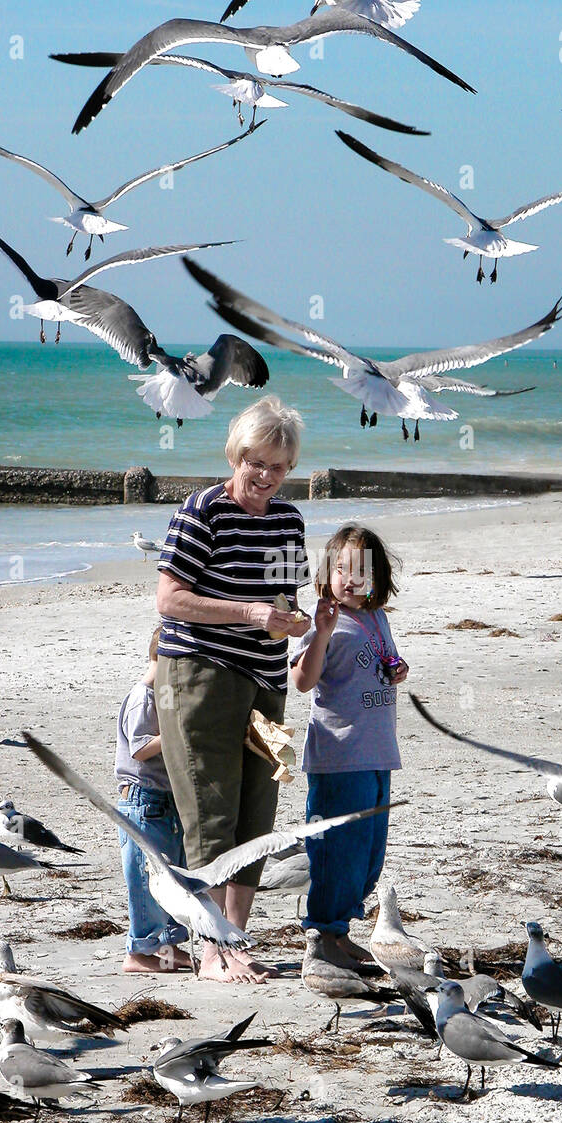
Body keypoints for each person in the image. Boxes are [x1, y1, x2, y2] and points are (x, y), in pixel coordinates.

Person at [155, 397, 311, 985]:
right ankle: (208, 948)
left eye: (279, 467)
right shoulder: (202, 512)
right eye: (257, 463)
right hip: (202, 674)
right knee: (209, 811)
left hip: (267, 677)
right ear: (237, 455)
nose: (266, 477)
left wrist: (294, 622)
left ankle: (235, 939)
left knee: (257, 815)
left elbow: (283, 601)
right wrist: (249, 613)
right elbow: (170, 600)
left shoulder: (288, 520)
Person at [290, 525, 408, 966]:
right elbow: (303, 681)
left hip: (377, 752)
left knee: (368, 852)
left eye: (360, 571)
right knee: (338, 849)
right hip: (339, 756)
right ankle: (323, 935)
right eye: (341, 569)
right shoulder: (326, 620)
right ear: (328, 573)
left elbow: (380, 661)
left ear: (377, 576)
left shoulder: (376, 617)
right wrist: (321, 632)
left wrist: (397, 669)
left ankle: (340, 930)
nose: (350, 579)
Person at [115, 627, 190, 974]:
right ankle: (141, 950)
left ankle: (168, 945)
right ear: (160, 660)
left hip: (164, 800)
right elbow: (141, 748)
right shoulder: (142, 697)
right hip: (141, 801)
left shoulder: (165, 695)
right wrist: (173, 733)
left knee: (170, 873)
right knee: (145, 879)